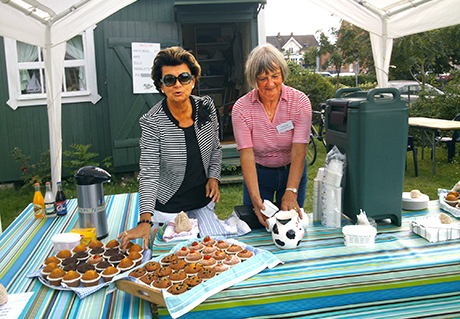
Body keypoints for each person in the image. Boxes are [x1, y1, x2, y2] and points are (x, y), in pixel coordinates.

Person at [118, 47, 227, 251]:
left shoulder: (206, 107)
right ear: (161, 86)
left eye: (184, 77)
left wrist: (214, 177)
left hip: (202, 203)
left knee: (209, 255)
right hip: (168, 208)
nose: (177, 85)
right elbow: (149, 172)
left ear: (193, 80)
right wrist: (145, 221)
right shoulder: (152, 121)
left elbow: (215, 148)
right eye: (169, 80)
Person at [231, 43, 312, 228]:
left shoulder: (300, 102)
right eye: (262, 78)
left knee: (290, 224)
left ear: (283, 74)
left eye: (275, 76)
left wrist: (291, 191)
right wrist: (255, 199)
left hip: (292, 170)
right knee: (259, 225)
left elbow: (299, 150)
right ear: (253, 79)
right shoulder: (241, 109)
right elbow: (246, 154)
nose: (270, 83)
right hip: (259, 173)